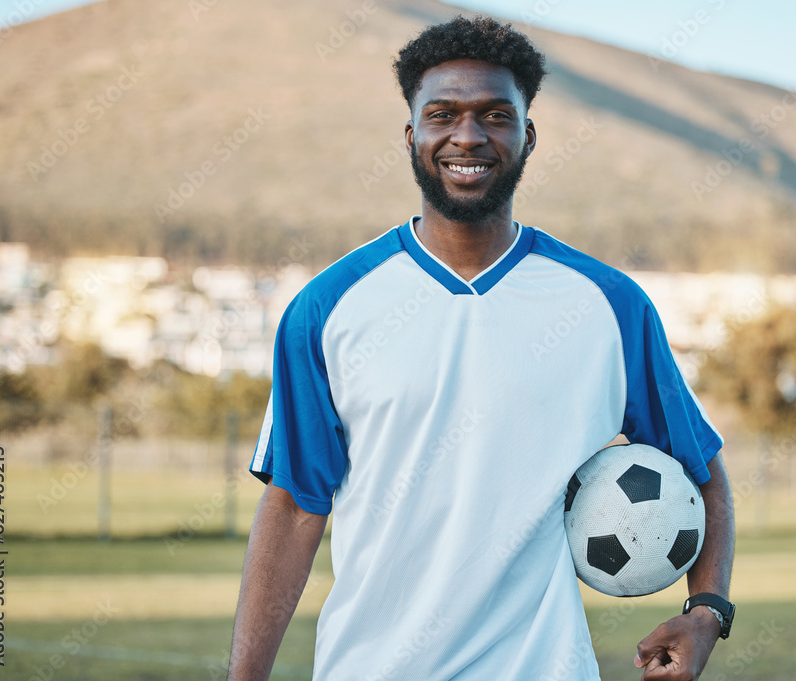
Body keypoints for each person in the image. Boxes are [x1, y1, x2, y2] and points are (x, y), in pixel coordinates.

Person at [227, 15, 735, 681]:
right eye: (443, 114)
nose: (468, 134)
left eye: (495, 114)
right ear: (412, 137)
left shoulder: (607, 305)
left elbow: (703, 470)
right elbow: (294, 506)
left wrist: (707, 611)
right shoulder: (328, 309)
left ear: (528, 135)